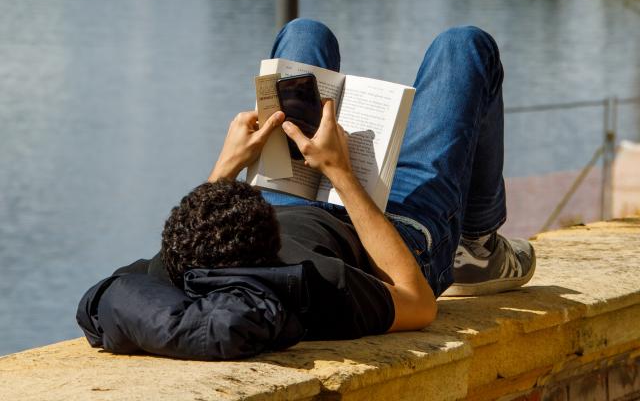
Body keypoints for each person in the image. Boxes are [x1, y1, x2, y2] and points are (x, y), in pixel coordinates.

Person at [77, 19, 535, 360]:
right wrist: (339, 172)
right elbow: (416, 303)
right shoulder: (315, 283)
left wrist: (230, 161)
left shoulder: (184, 268)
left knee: (304, 33)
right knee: (464, 48)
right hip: (393, 237)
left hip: (300, 204)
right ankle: (474, 249)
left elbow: (187, 236)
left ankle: (307, 152)